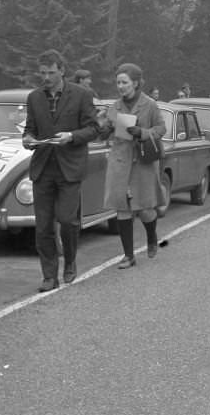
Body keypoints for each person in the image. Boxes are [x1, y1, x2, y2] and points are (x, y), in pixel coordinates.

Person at [22, 49, 101, 292]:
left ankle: (70, 260)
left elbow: (93, 128)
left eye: (51, 73)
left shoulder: (81, 95)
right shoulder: (34, 98)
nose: (46, 77)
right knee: (43, 226)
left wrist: (72, 136)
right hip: (43, 167)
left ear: (62, 71)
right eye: (42, 73)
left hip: (70, 167)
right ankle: (49, 276)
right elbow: (30, 128)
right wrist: (28, 139)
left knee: (67, 220)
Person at [102, 63, 167, 268]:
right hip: (120, 161)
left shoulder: (150, 105)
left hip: (142, 162)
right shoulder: (114, 107)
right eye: (118, 82)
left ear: (136, 83)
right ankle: (128, 256)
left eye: (125, 82)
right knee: (122, 209)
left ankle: (151, 237)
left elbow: (161, 129)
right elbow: (106, 130)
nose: (120, 86)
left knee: (145, 209)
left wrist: (143, 133)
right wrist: (103, 129)